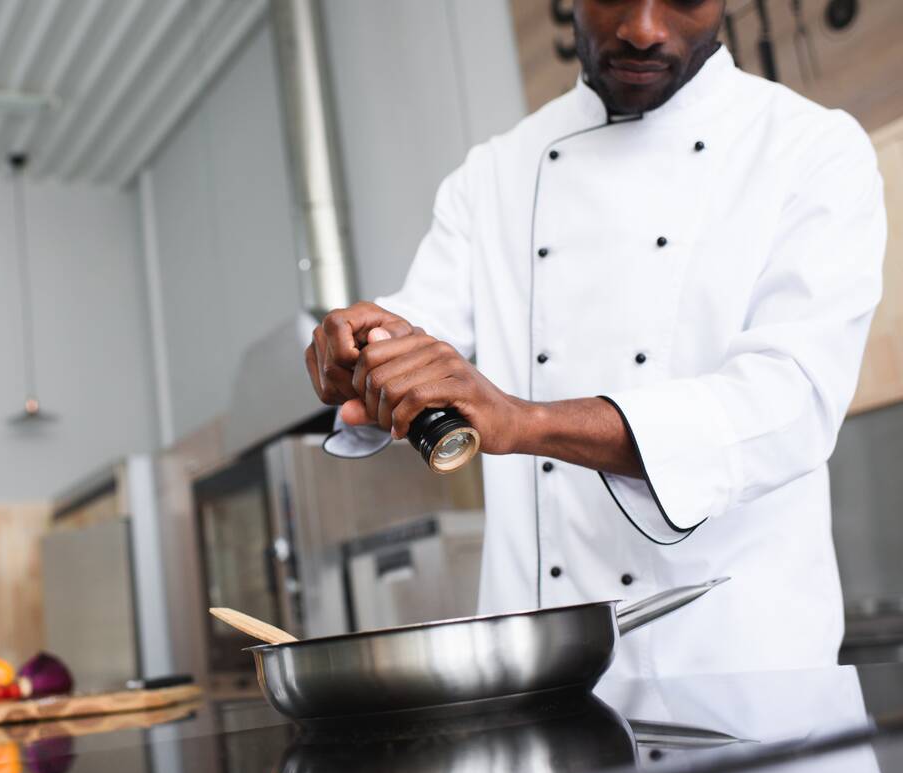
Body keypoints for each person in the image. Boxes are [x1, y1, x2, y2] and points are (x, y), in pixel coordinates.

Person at [304, 0, 886, 677]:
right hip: (538, 679)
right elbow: (418, 334)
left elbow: (787, 403)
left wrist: (526, 421)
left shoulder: (810, 150)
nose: (642, 28)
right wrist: (363, 352)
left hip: (743, 674)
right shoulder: (493, 175)